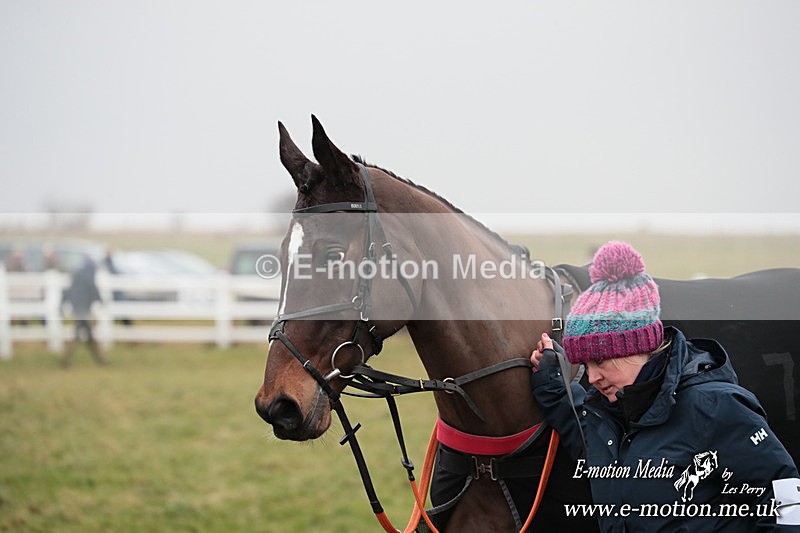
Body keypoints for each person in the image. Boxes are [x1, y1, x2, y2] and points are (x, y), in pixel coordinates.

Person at [530, 241, 798, 531]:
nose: (592, 377)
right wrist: (553, 382)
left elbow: (786, 499)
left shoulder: (714, 406)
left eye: (601, 362)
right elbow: (582, 432)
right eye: (585, 365)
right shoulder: (608, 417)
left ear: (638, 348)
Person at [62, 255, 107, 367]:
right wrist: (100, 300)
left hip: (78, 307)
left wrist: (63, 302)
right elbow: (93, 288)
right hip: (83, 309)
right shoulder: (88, 274)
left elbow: (68, 290)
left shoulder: (77, 273)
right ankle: (66, 360)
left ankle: (99, 359)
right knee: (81, 334)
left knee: (87, 335)